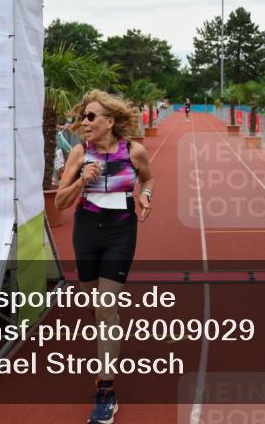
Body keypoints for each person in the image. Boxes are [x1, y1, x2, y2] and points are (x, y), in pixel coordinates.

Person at [55, 90, 154, 424]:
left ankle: (106, 392)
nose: (85, 122)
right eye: (83, 117)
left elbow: (148, 177)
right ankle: (107, 338)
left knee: (106, 308)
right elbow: (59, 204)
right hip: (86, 232)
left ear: (110, 122)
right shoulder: (79, 154)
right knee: (93, 306)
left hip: (120, 233)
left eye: (91, 116)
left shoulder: (134, 151)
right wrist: (82, 181)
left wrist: (146, 196)